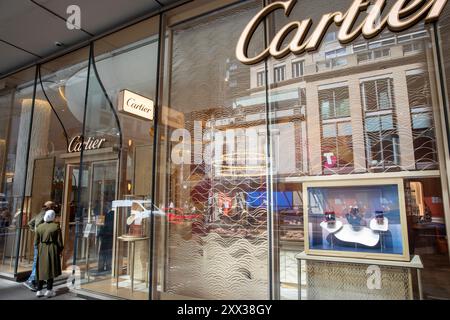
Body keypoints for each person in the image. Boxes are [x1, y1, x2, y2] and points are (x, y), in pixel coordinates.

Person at [23, 201, 55, 291]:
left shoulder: (41, 213)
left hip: (39, 241)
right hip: (41, 242)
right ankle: (30, 280)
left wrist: (36, 231)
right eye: (53, 206)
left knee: (37, 261)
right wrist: (40, 233)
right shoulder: (44, 215)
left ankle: (36, 279)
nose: (54, 208)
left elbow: (30, 223)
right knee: (37, 261)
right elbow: (35, 225)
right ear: (50, 207)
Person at [35, 209, 64, 298]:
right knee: (50, 269)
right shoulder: (56, 226)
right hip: (52, 249)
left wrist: (39, 249)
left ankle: (39, 290)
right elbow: (60, 242)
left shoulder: (39, 227)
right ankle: (49, 290)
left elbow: (36, 242)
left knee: (40, 269)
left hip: (42, 248)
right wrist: (60, 250)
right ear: (53, 216)